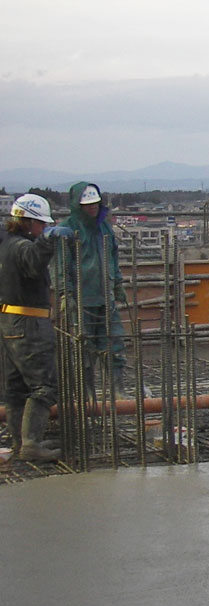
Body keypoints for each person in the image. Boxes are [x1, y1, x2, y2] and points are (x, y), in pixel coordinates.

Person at [0, 194, 74, 462]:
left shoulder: (5, 243)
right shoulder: (21, 246)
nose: (43, 228)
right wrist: (47, 241)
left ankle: (21, 442)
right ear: (27, 222)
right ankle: (32, 444)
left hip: (9, 322)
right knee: (43, 387)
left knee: (16, 388)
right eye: (41, 225)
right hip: (29, 323)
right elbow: (32, 261)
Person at [55, 182, 127, 398]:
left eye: (95, 203)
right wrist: (65, 293)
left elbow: (113, 257)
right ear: (78, 206)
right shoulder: (69, 230)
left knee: (114, 344)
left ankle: (118, 392)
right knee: (84, 351)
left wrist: (118, 283)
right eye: (88, 205)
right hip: (82, 300)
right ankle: (87, 395)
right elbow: (61, 264)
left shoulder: (104, 227)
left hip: (106, 298)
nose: (93, 208)